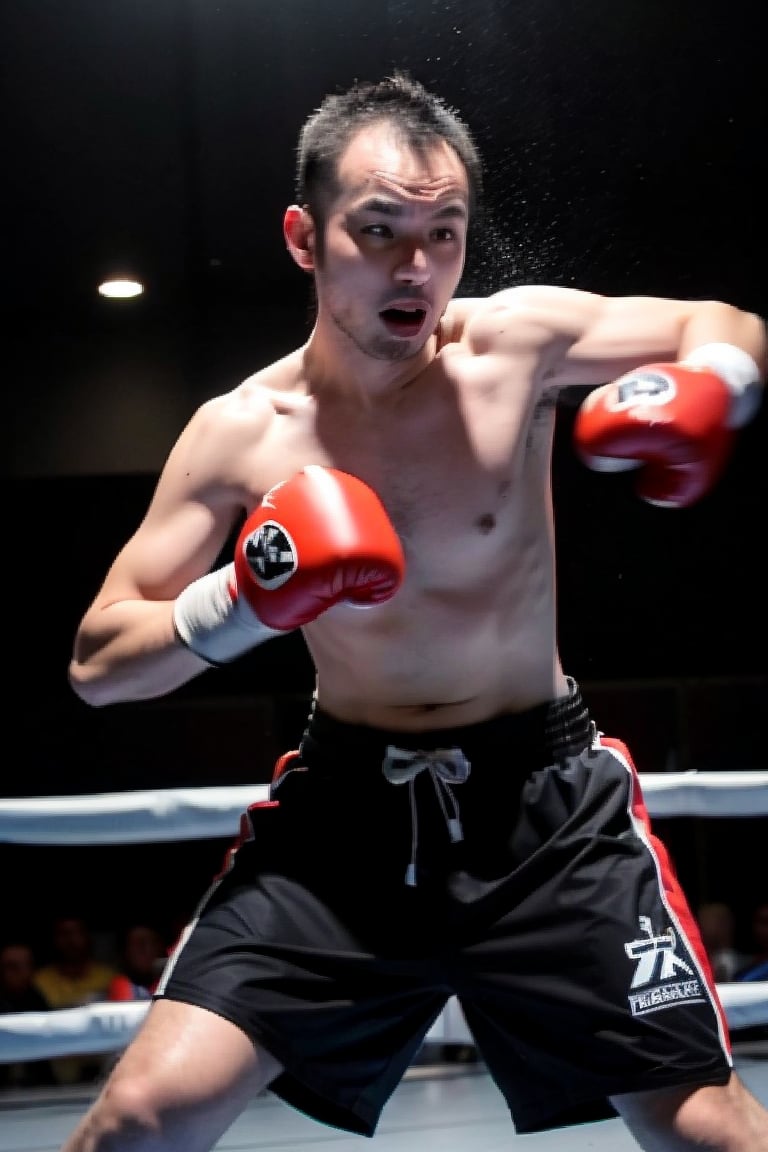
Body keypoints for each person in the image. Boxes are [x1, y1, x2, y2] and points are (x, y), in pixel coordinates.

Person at [63, 72, 768, 1152]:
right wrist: (242, 603)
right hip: (346, 818)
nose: (418, 267)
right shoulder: (240, 431)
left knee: (711, 1130)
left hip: (548, 812)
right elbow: (100, 661)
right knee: (139, 1120)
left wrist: (716, 380)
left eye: (444, 233)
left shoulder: (517, 347)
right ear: (305, 237)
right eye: (380, 230)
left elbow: (725, 321)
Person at [33, 914, 118, 1085]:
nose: (71, 940)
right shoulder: (39, 981)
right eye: (64, 934)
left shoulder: (109, 978)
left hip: (101, 1060)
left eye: (76, 933)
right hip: (57, 1061)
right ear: (55, 940)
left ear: (87, 937)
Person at [0, 939, 56, 1089]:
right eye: (13, 967)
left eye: (26, 966)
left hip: (39, 1087)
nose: (21, 973)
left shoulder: (38, 1000)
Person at [106, 923, 168, 1002]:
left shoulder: (173, 983)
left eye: (154, 943)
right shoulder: (120, 984)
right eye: (139, 944)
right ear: (125, 951)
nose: (148, 949)